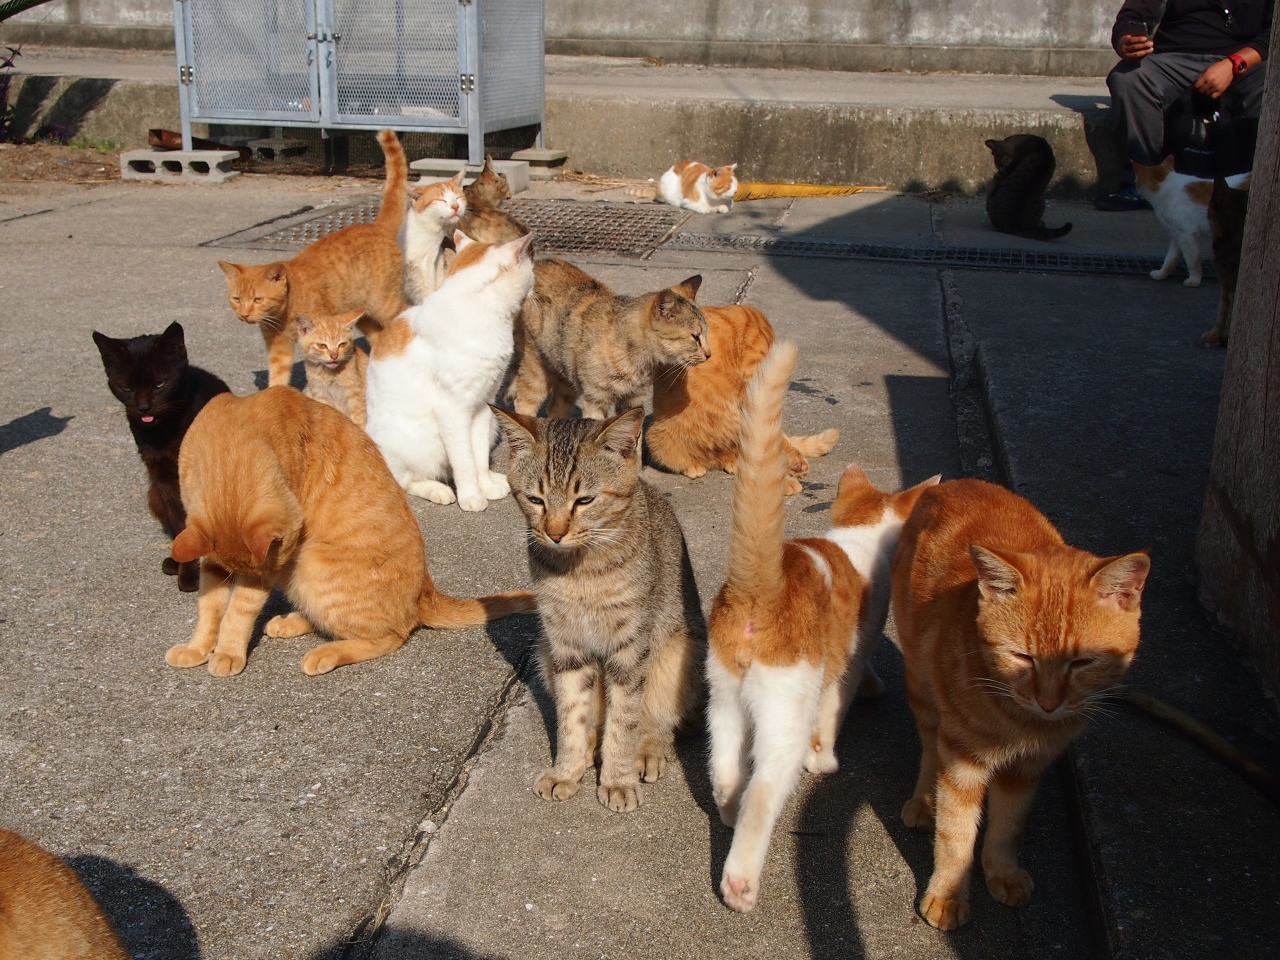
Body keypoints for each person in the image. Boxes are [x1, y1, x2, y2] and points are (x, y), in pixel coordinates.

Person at [1097, 0, 1271, 211]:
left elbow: (1274, 32)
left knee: (1271, 82)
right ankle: (1144, 182)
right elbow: (1134, 13)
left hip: (1244, 61)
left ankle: (1252, 186)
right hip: (1175, 57)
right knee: (1129, 79)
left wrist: (1234, 64)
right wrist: (1125, 40)